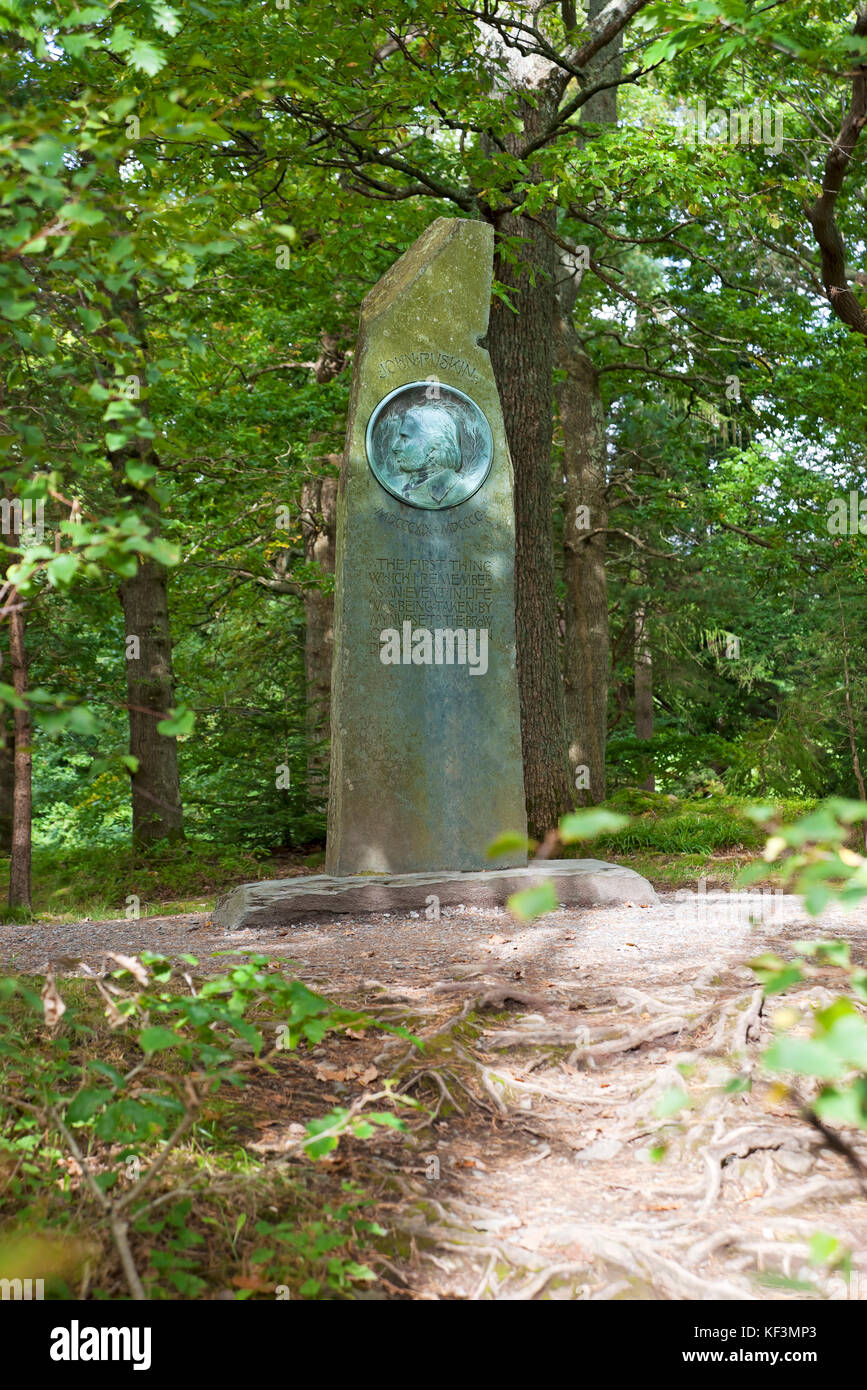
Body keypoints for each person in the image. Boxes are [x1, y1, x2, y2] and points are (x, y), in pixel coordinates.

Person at [388, 404, 470, 508]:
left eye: (404, 438)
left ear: (433, 446)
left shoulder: (461, 491)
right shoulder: (395, 483)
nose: (395, 447)